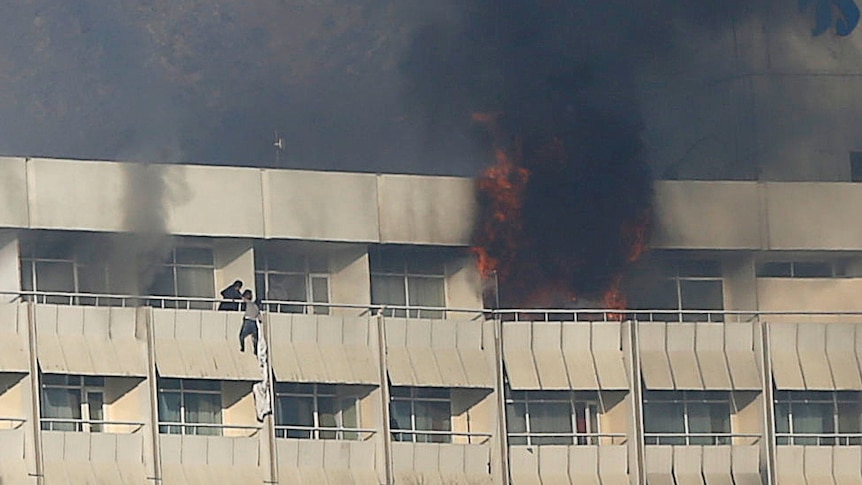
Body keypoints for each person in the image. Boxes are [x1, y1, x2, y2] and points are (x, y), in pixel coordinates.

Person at [239, 289, 260, 354]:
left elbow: (243, 299)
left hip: (247, 321)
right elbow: (259, 316)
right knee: (255, 337)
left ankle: (242, 347)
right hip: (254, 322)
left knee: (241, 336)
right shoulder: (255, 306)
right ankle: (255, 349)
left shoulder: (247, 303)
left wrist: (241, 296)